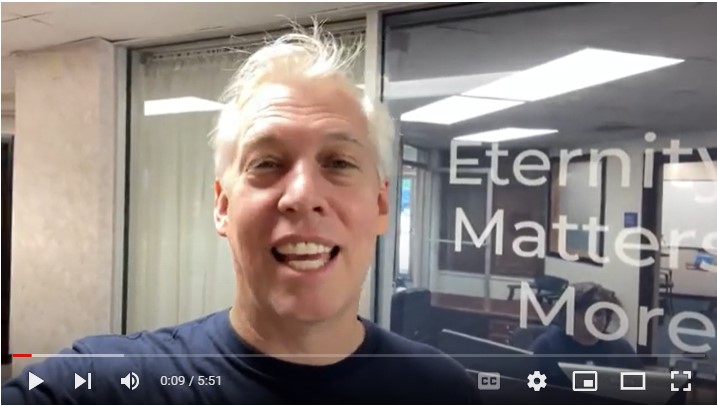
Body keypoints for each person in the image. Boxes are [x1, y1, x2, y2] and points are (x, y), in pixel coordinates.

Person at [2, 24, 481, 405]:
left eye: (338, 163)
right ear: (223, 206)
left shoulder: (442, 391)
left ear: (380, 205)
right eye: (267, 163)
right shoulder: (101, 385)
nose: (302, 195)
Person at [530, 282, 642, 387]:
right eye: (585, 314)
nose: (593, 320)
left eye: (598, 314)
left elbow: (640, 387)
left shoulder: (621, 348)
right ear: (569, 315)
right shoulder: (547, 345)